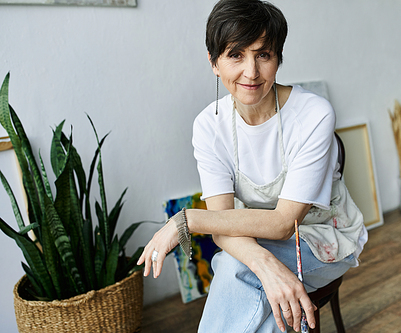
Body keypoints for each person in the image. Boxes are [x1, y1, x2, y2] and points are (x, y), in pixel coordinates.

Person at [137, 1, 367, 332]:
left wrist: (186, 221)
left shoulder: (313, 114)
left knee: (235, 269)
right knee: (255, 286)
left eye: (263, 55)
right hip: (259, 239)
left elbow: (284, 223)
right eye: (235, 55)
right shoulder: (208, 126)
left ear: (278, 59)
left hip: (323, 238)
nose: (251, 72)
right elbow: (222, 225)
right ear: (213, 62)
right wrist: (268, 266)